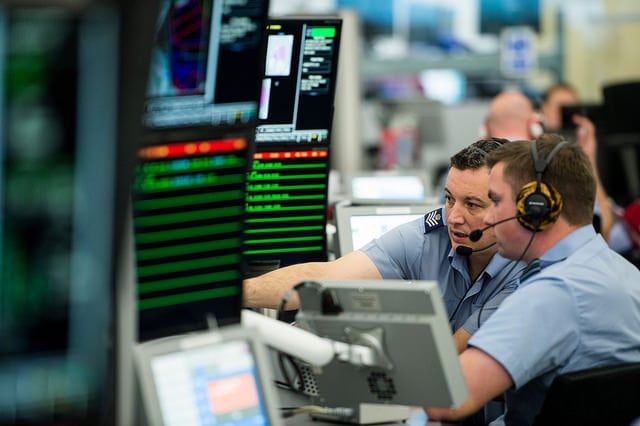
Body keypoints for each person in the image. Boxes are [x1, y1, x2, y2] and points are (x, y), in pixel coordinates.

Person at [426, 134, 640, 425]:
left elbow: (445, 400)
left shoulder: (555, 293)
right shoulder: (619, 270)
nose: (489, 219)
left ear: (536, 209)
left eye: (496, 201)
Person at [243, 138, 525, 354]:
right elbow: (325, 279)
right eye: (450, 198)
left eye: (472, 205)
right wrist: (231, 296)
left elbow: (452, 358)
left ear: (511, 209)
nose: (453, 217)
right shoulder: (431, 236)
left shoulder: (528, 266)